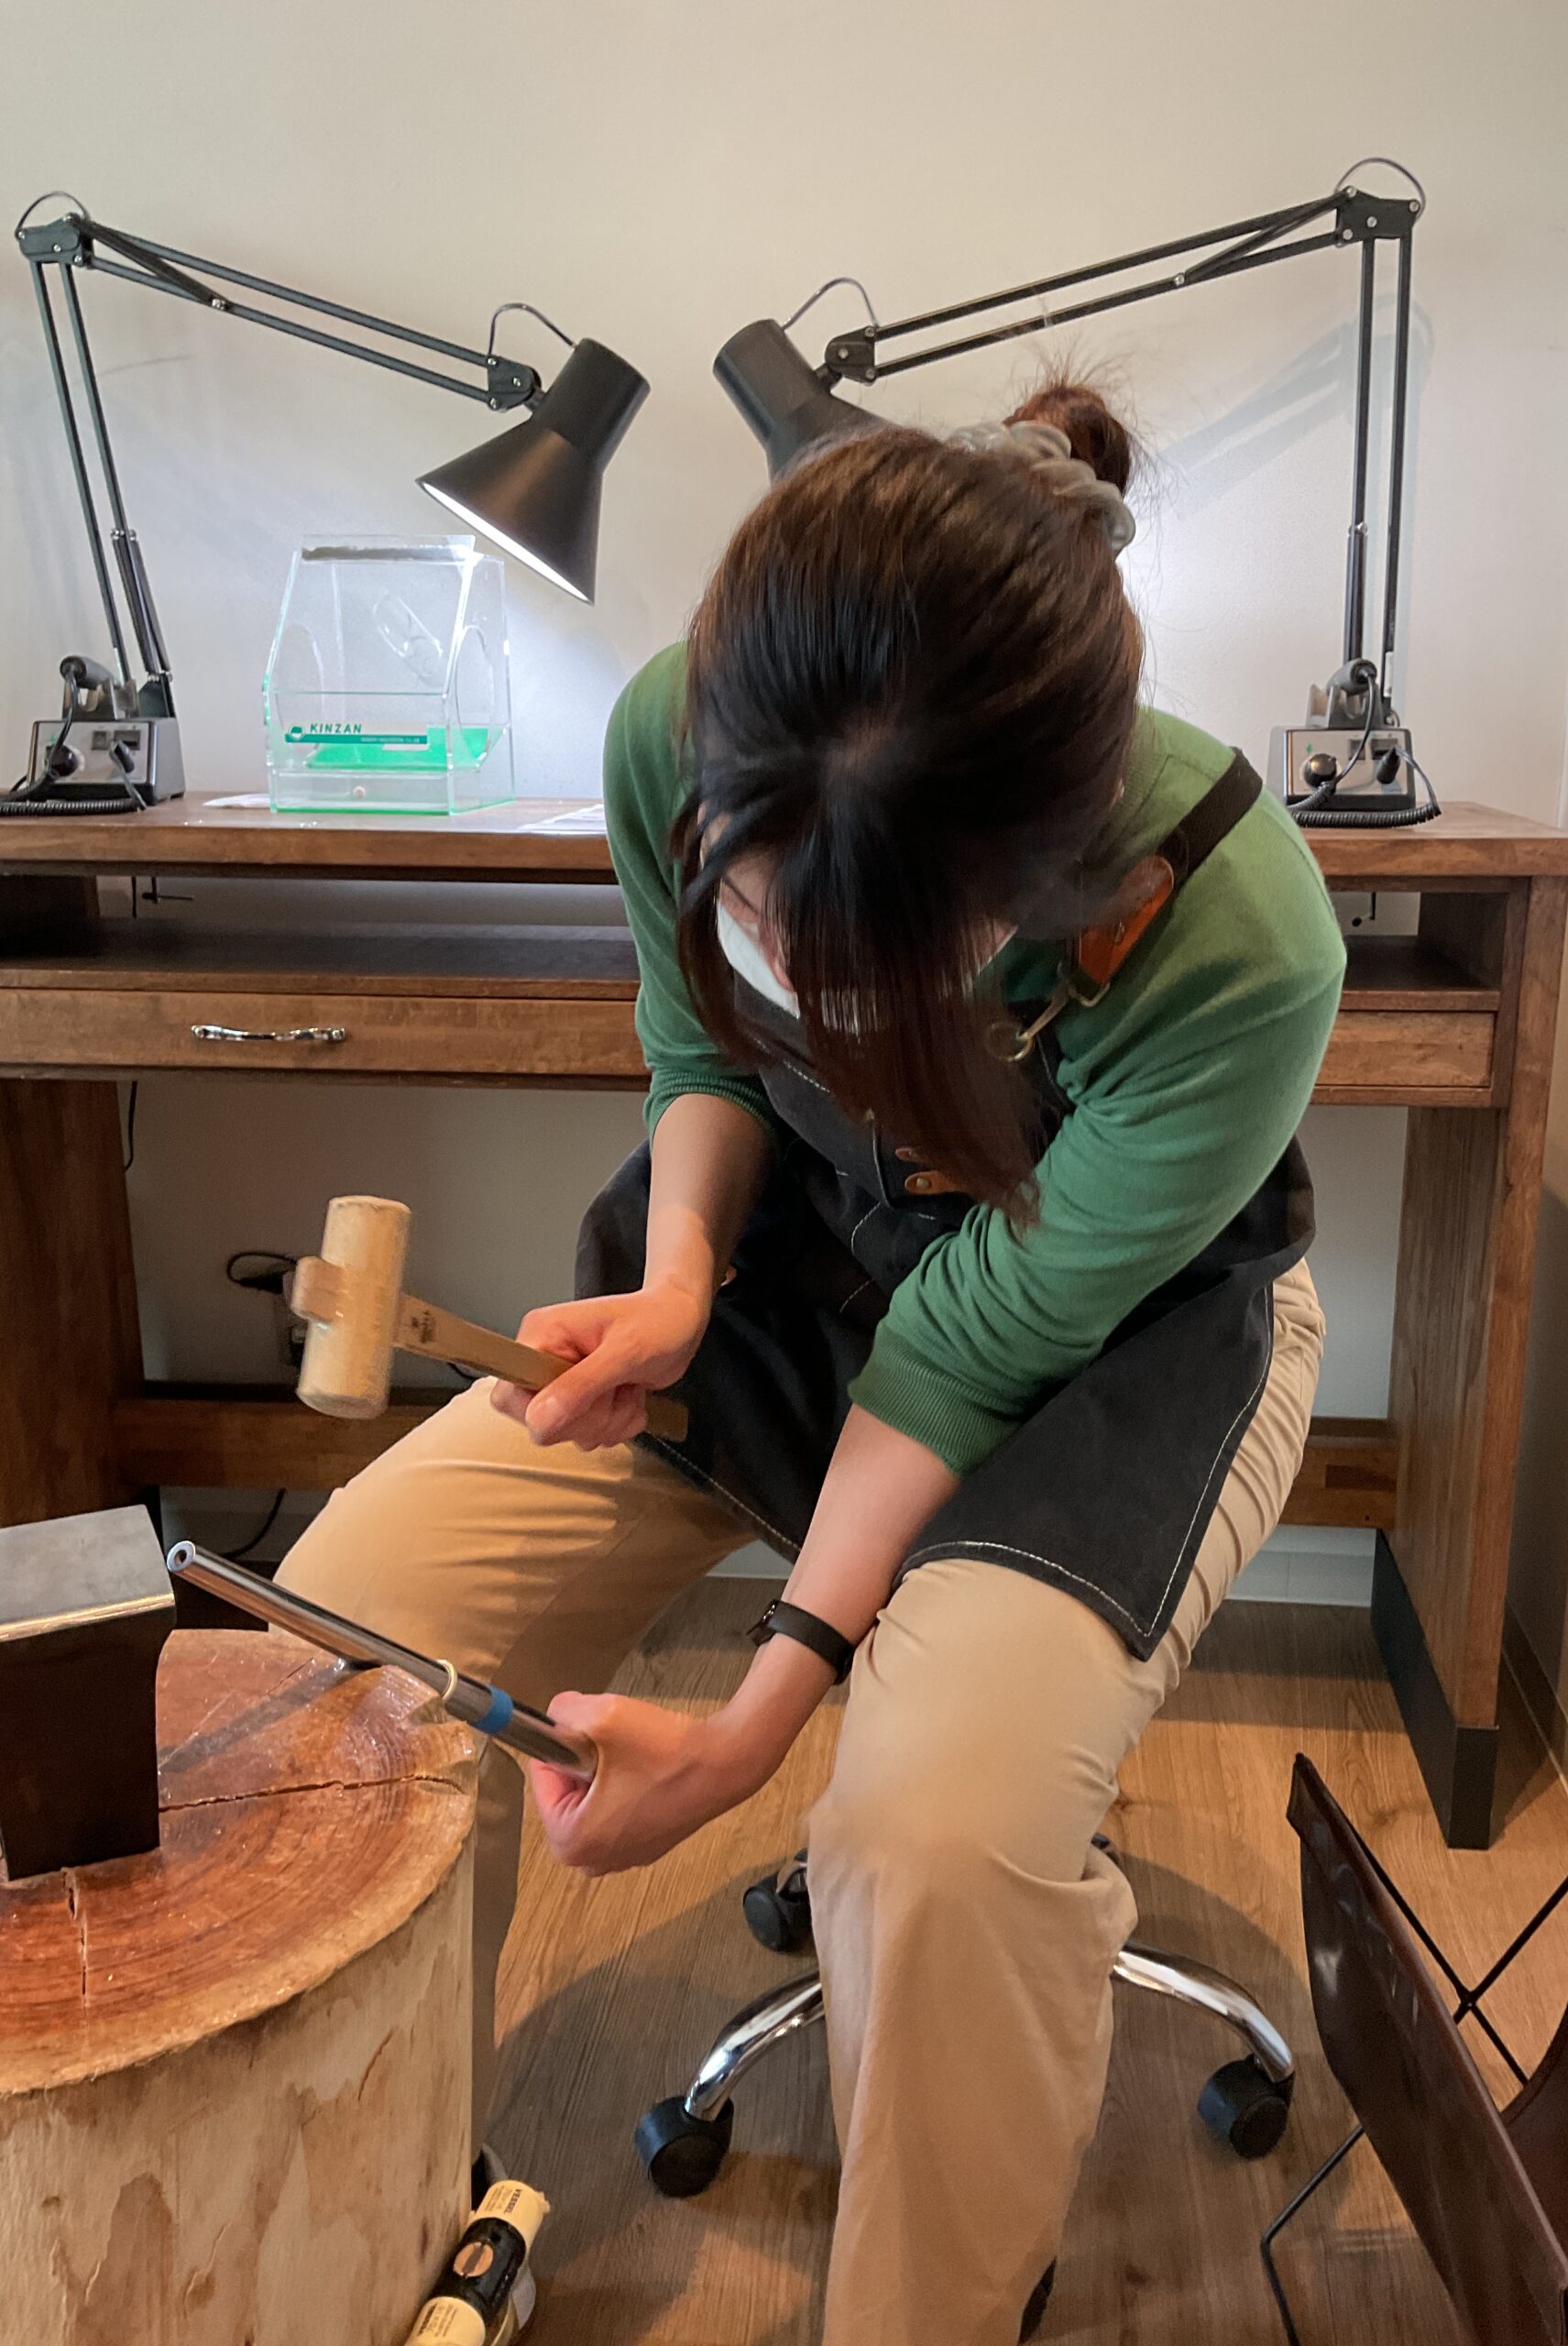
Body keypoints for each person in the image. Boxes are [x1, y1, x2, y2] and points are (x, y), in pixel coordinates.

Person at [278, 379, 1344, 2346]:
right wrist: (679, 1280)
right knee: (356, 1642)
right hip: (798, 1261)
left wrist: (759, 1717)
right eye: (760, 910)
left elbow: (973, 1338)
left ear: (1030, 898)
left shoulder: (1231, 934)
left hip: (1117, 1335)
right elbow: (701, 1052)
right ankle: (369, 2242)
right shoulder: (684, 724)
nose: (794, 979)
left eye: (863, 965)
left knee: (930, 1834)